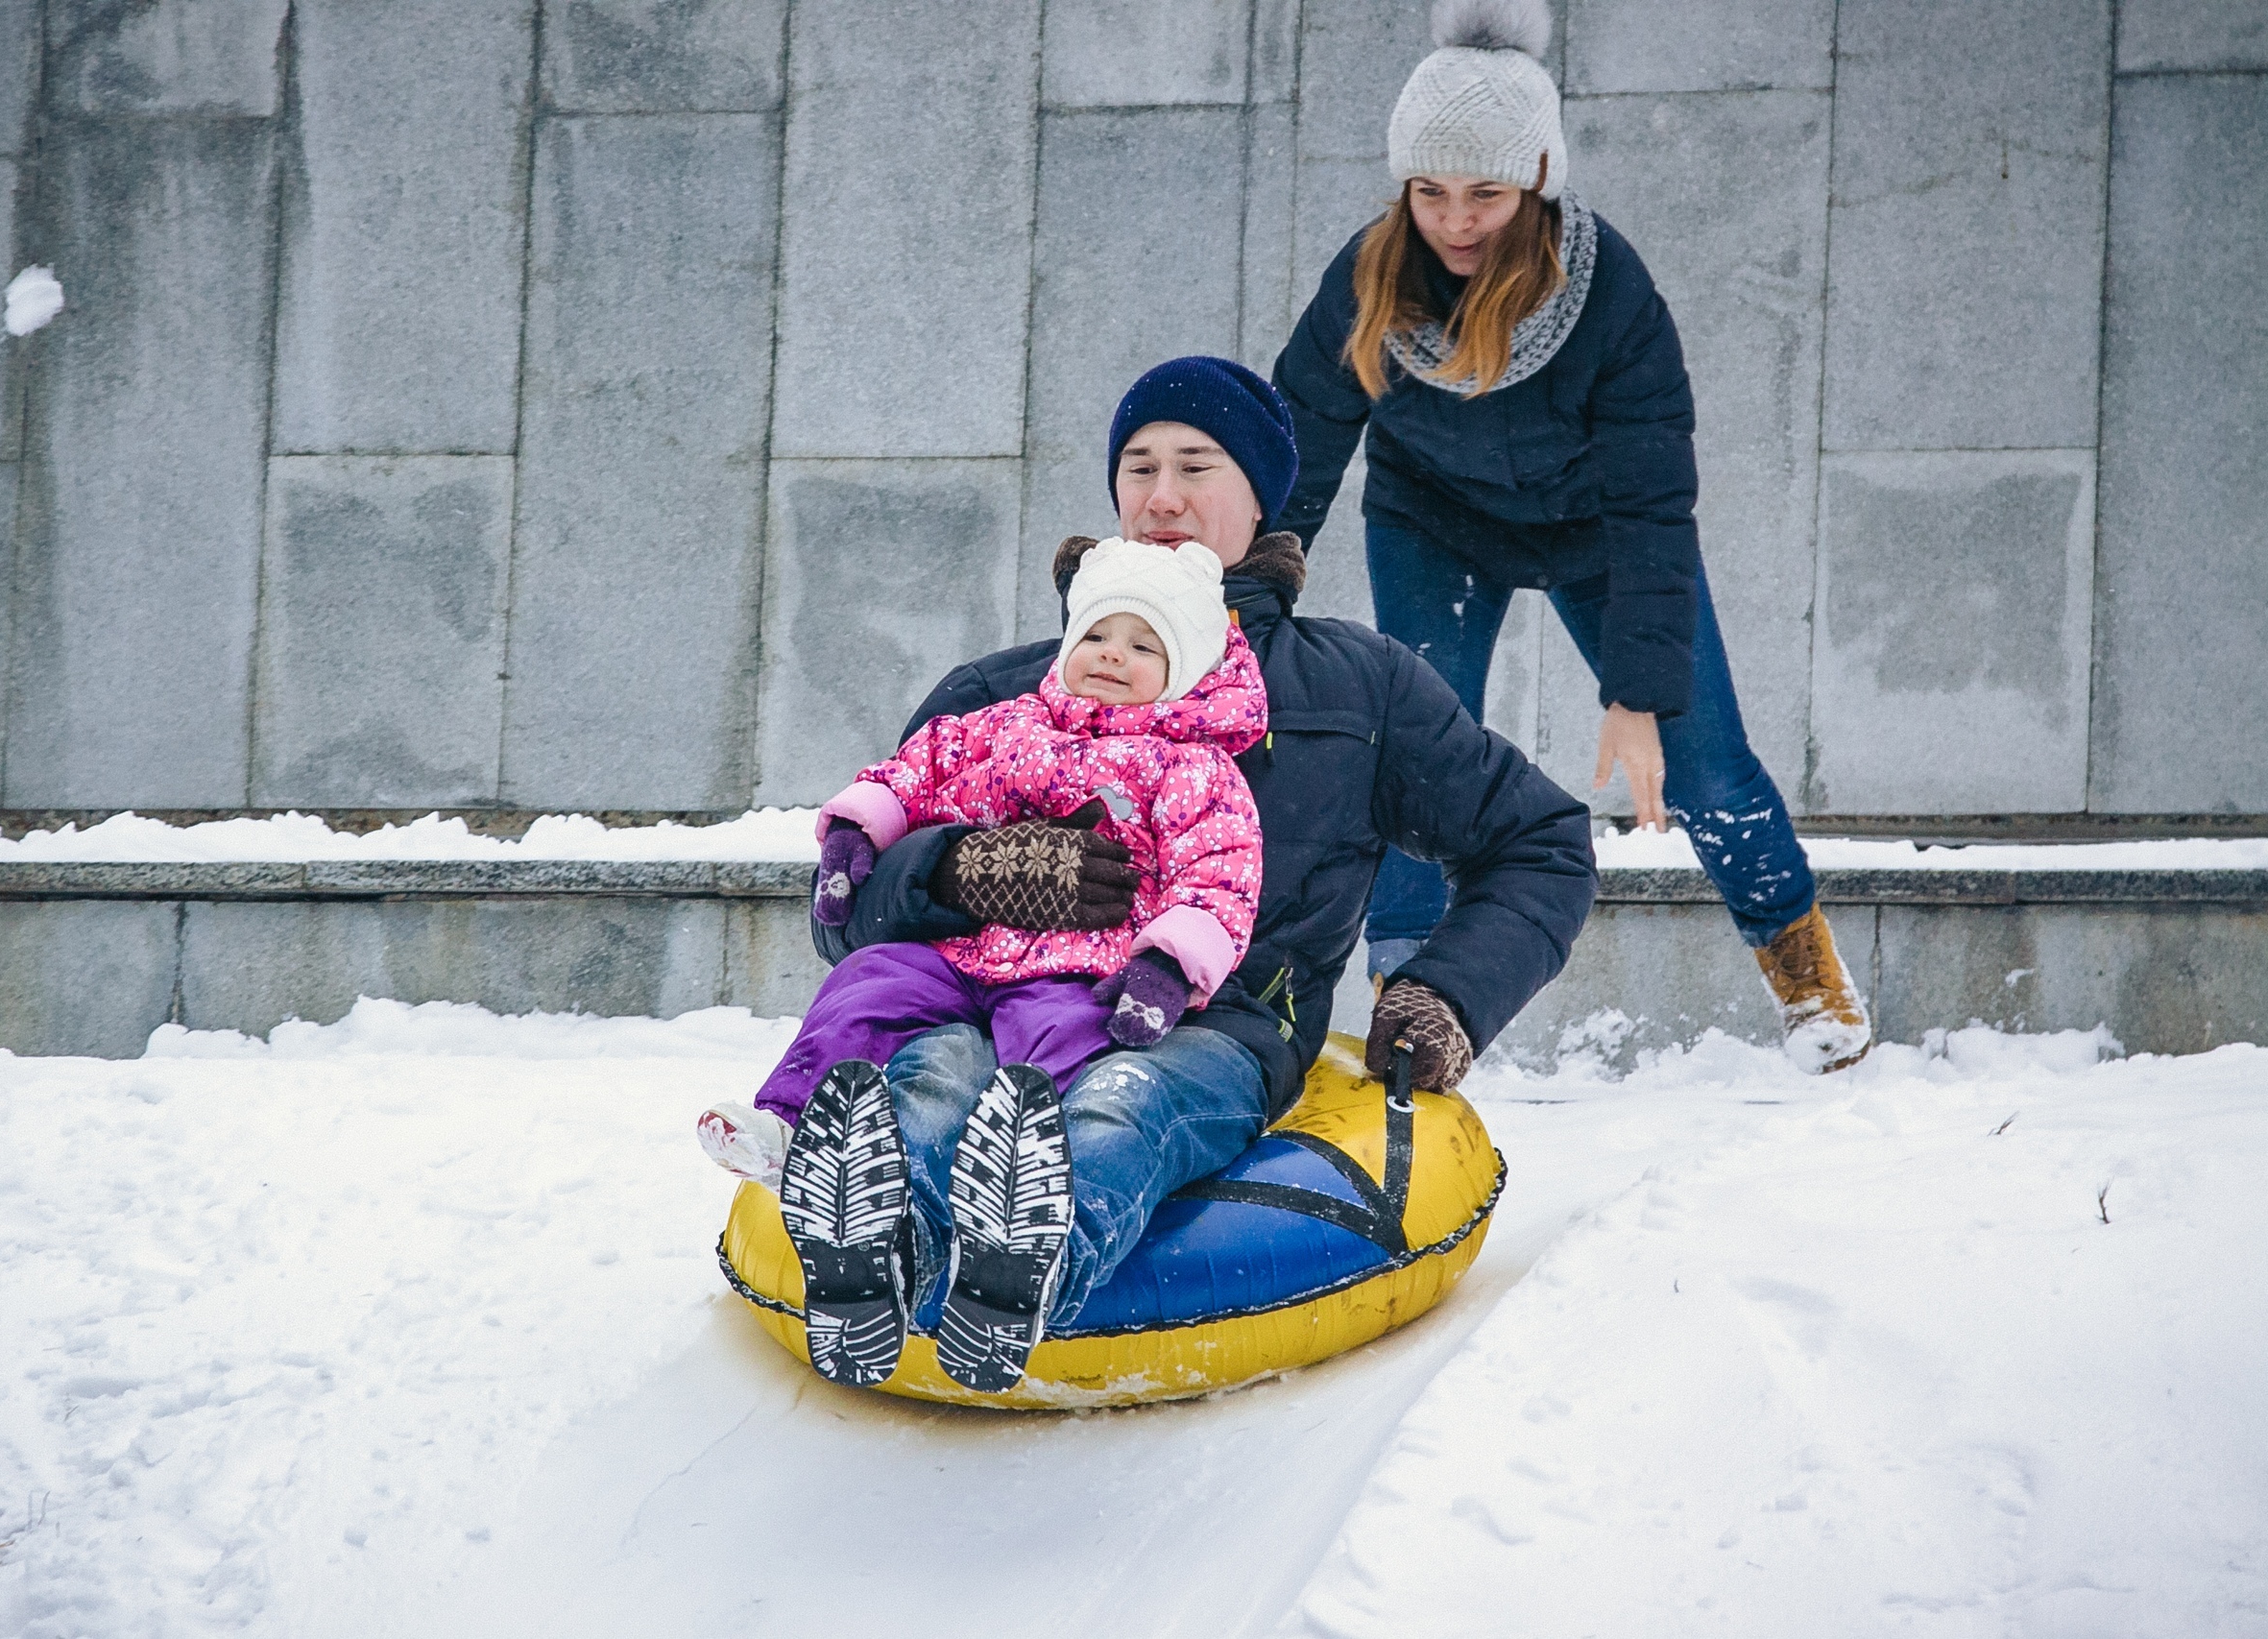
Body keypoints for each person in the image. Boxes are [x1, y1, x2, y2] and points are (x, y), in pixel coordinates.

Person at [808, 354, 1596, 1394]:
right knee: (935, 1076)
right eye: (1138, 467)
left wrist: (1444, 992)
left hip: (1209, 1031)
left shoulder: (1354, 689)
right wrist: (959, 870)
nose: (1162, 497)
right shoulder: (1001, 697)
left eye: (1196, 465)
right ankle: (865, 1263)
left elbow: (1540, 840)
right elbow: (848, 907)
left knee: (1123, 1105)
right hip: (987, 1009)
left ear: (1261, 495)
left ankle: (1015, 1280)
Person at [1268, 0, 1871, 1073]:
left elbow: (1650, 504)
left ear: (1538, 178)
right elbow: (1300, 444)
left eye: (1485, 194)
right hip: (1436, 524)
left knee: (1703, 768)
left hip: (1601, 536)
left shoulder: (1610, 299)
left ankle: (1802, 967)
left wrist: (1636, 696)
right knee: (1406, 750)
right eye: (1431, 192)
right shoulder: (1371, 278)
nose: (1455, 221)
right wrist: (1247, 590)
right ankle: (1404, 989)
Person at [695, 538, 1267, 1391]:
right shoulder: (1004, 726)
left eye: (1144, 645)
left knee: (1056, 1049)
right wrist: (858, 837)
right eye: (1098, 636)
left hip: (1077, 968)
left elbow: (1220, 877)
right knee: (868, 983)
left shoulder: (1191, 770)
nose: (1113, 655)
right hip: (962, 952)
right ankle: (798, 1128)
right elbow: (916, 771)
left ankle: (1020, 1164)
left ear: (1183, 669)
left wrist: (1165, 970)